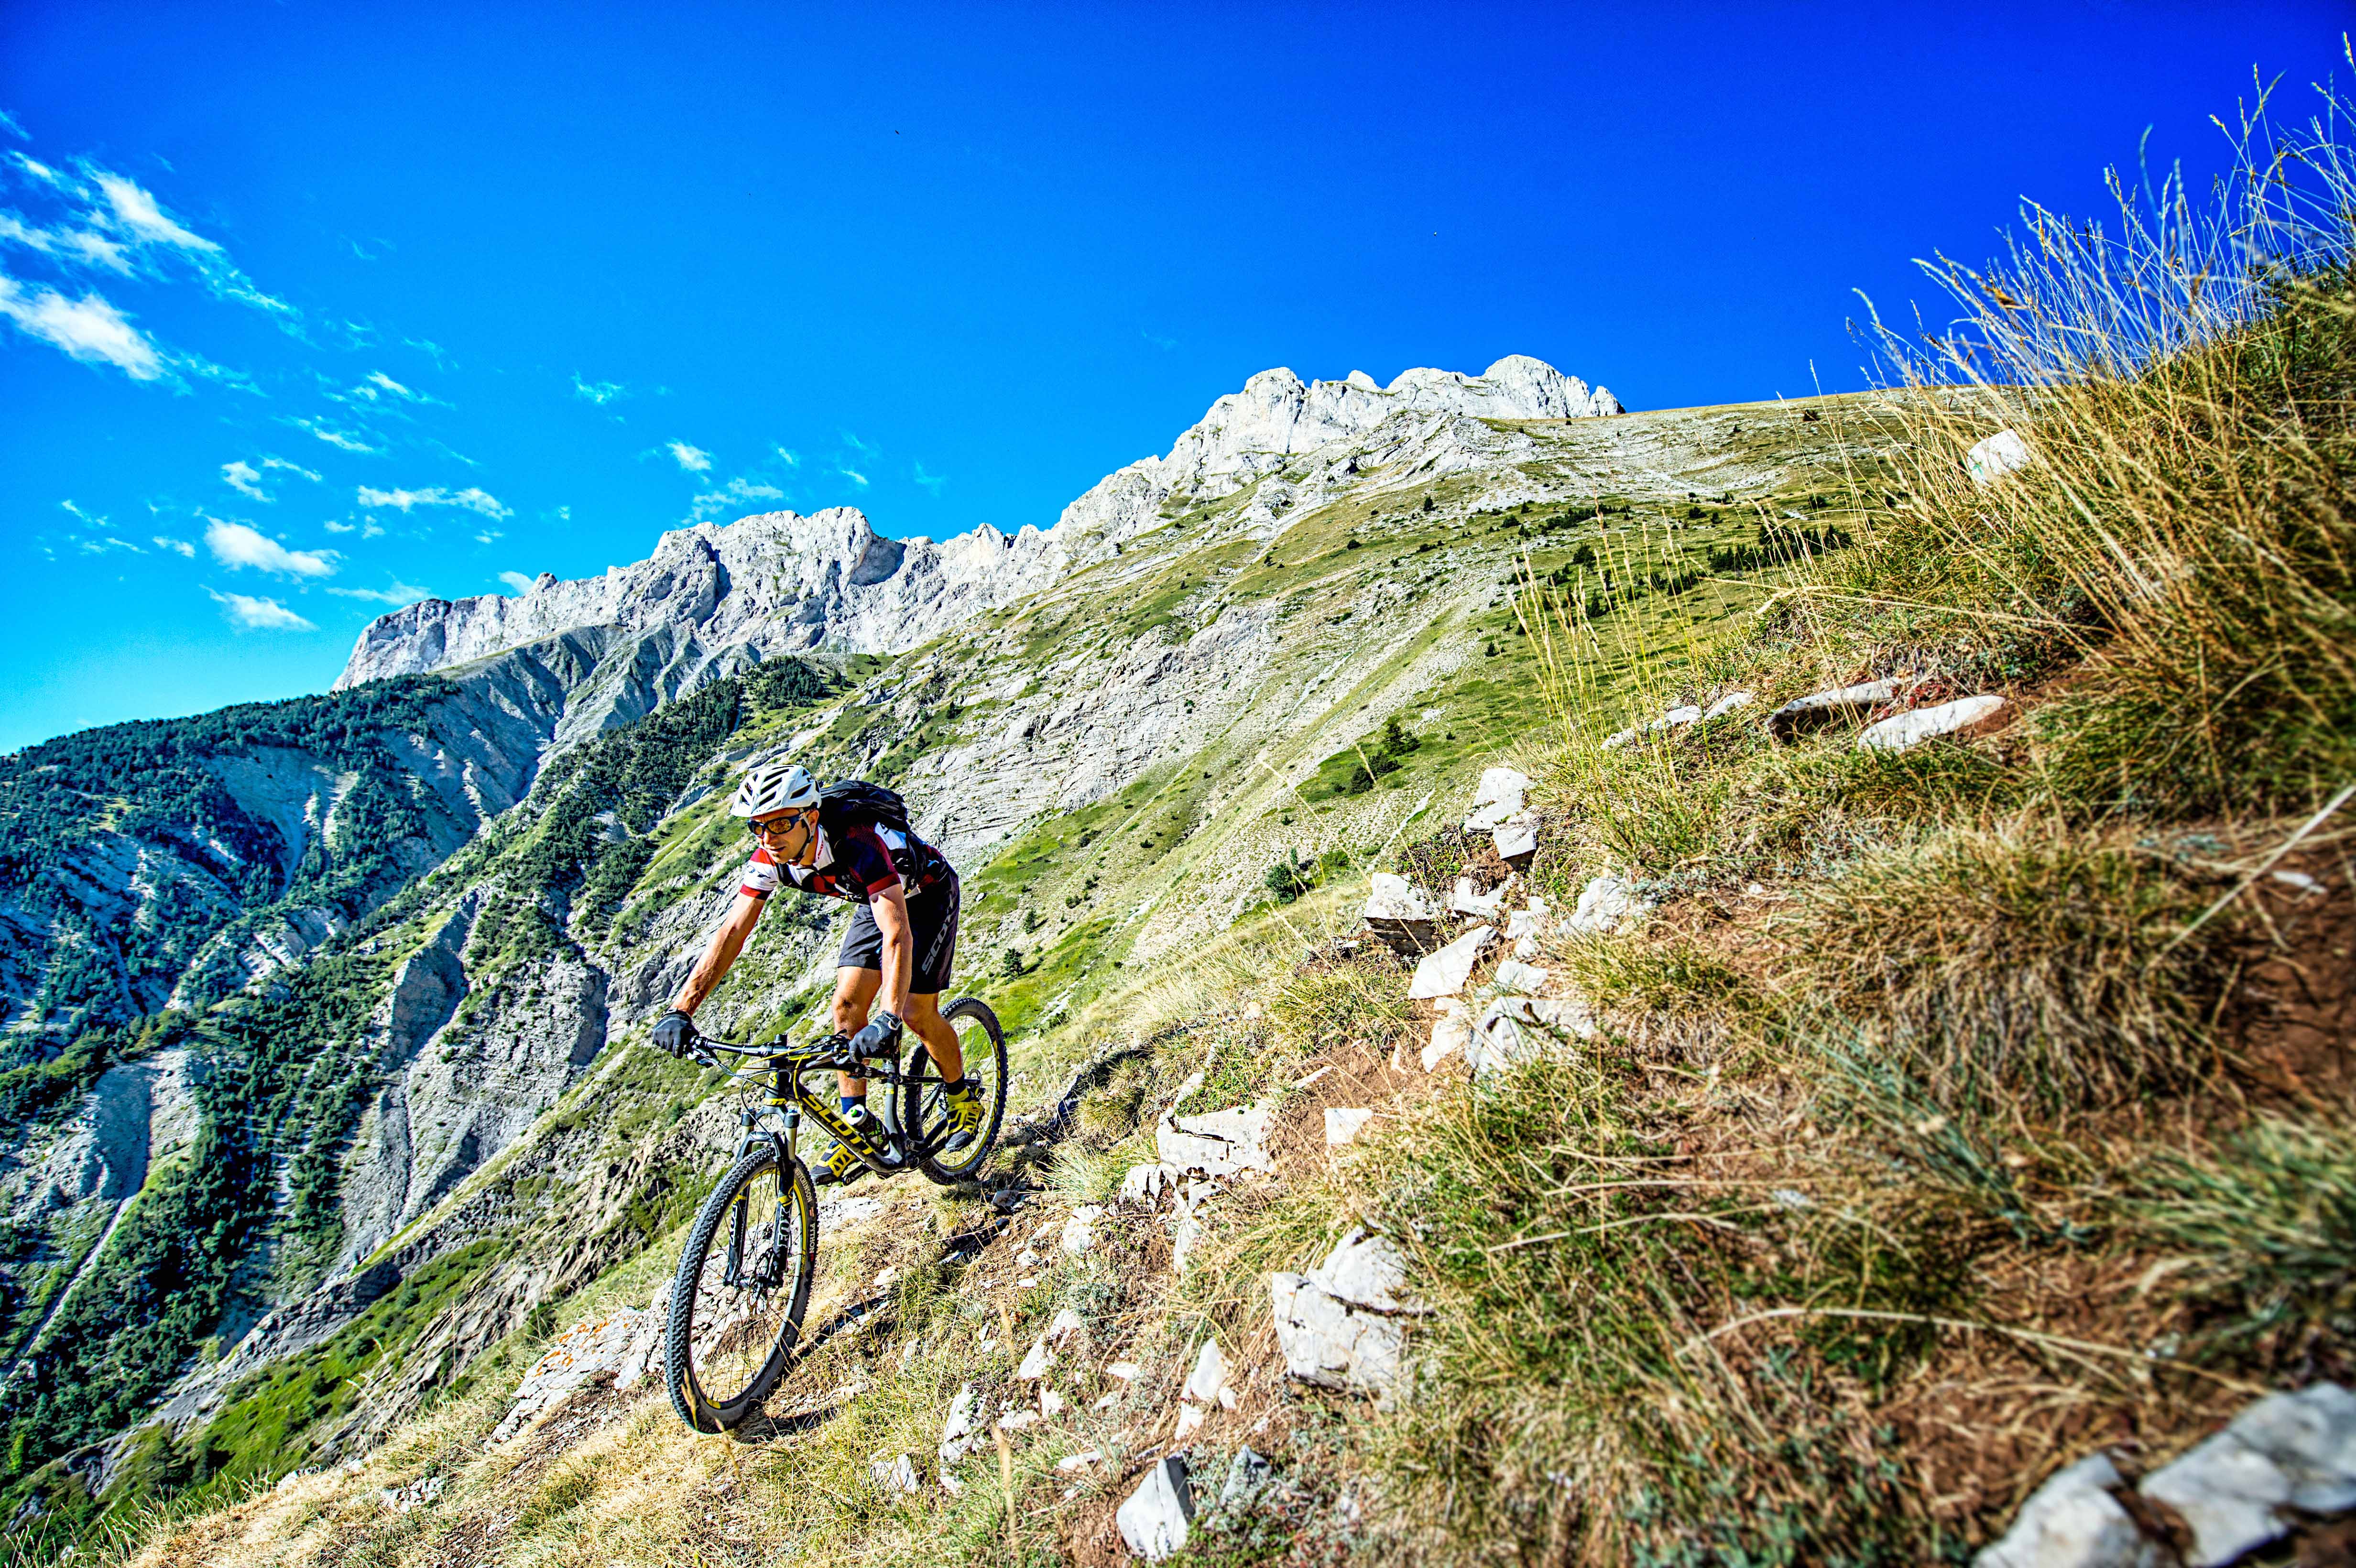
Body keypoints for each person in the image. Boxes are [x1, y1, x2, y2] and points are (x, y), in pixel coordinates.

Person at [648, 761, 983, 1184]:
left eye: (781, 824)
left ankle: (961, 1095)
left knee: (916, 1012)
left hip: (926, 894)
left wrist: (888, 1018)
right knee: (845, 1007)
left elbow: (897, 934)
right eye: (758, 828)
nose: (769, 839)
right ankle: (857, 1128)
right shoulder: (770, 858)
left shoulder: (862, 845)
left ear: (810, 817)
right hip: (874, 898)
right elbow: (733, 930)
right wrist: (682, 1009)